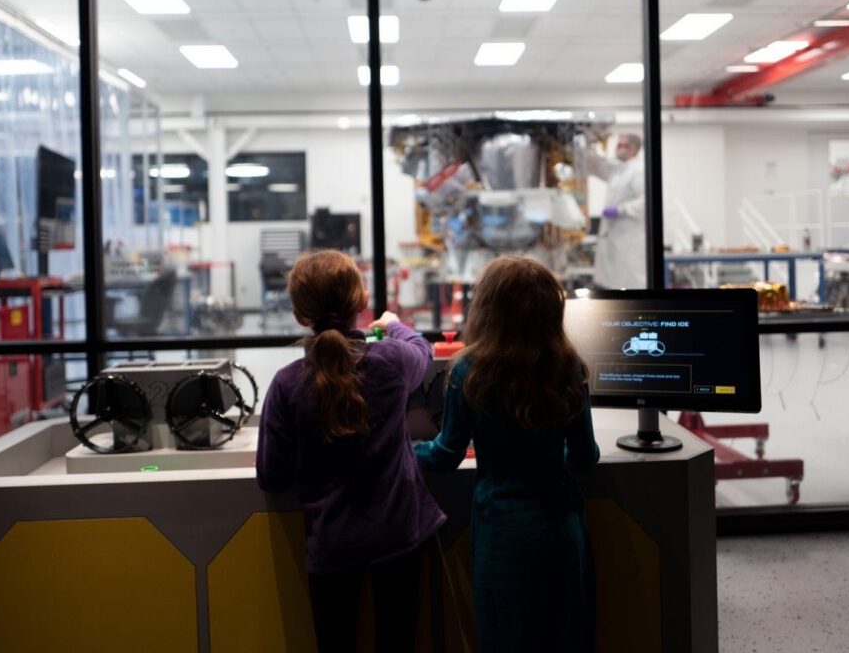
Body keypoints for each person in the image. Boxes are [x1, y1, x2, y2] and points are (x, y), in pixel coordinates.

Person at [256, 249, 445, 653]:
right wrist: (394, 324)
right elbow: (423, 351)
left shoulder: (286, 385)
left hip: (331, 547)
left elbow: (273, 475)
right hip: (398, 537)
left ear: (298, 315)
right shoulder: (392, 361)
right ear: (361, 302)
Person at [415, 256, 600, 652]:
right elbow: (585, 458)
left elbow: (446, 454)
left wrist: (407, 451)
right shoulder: (569, 368)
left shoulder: (469, 371)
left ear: (487, 309)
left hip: (501, 529)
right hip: (561, 526)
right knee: (566, 637)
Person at [585, 133, 647, 289]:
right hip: (613, 239)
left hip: (628, 240)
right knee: (611, 282)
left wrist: (620, 210)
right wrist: (588, 143)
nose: (617, 149)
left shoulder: (638, 170)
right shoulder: (619, 169)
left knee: (630, 283)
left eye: (620, 145)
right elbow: (597, 165)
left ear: (631, 148)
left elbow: (646, 201)